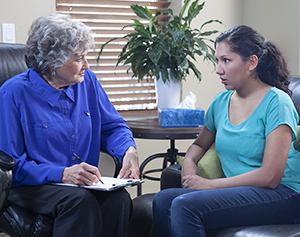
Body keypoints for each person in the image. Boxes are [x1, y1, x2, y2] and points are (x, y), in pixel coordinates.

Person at [0, 13, 140, 237]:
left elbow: (113, 126)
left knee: (118, 198)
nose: (87, 64)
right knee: (79, 201)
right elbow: (12, 165)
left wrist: (128, 150)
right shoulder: (13, 93)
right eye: (78, 58)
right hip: (31, 185)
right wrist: (62, 174)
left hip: (79, 184)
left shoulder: (88, 82)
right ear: (52, 63)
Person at [153, 25, 300, 237]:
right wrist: (188, 164)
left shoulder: (277, 102)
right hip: (242, 191)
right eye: (217, 60)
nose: (218, 69)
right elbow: (199, 144)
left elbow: (270, 177)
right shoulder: (221, 102)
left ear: (252, 63)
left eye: (226, 60)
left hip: (284, 194)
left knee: (186, 205)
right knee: (163, 200)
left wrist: (209, 185)